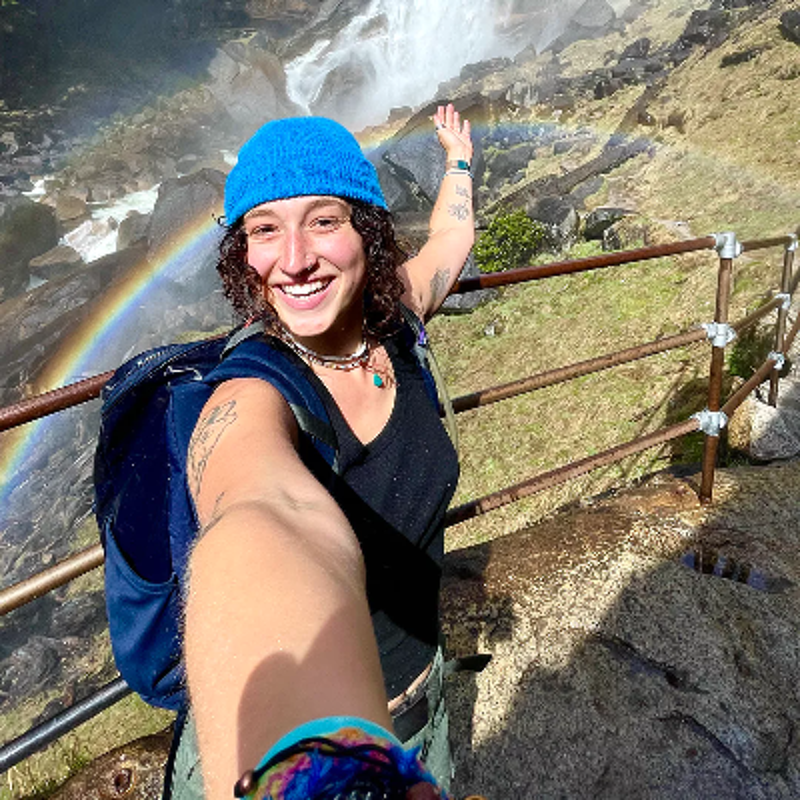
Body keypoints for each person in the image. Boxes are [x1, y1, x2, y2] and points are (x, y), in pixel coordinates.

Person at [171, 104, 474, 800]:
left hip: (421, 706)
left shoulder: (392, 317)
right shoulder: (251, 393)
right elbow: (262, 512)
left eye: (324, 221)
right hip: (310, 762)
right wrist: (315, 774)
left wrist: (457, 159)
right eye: (264, 229)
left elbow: (451, 238)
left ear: (367, 229)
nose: (295, 259)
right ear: (242, 253)